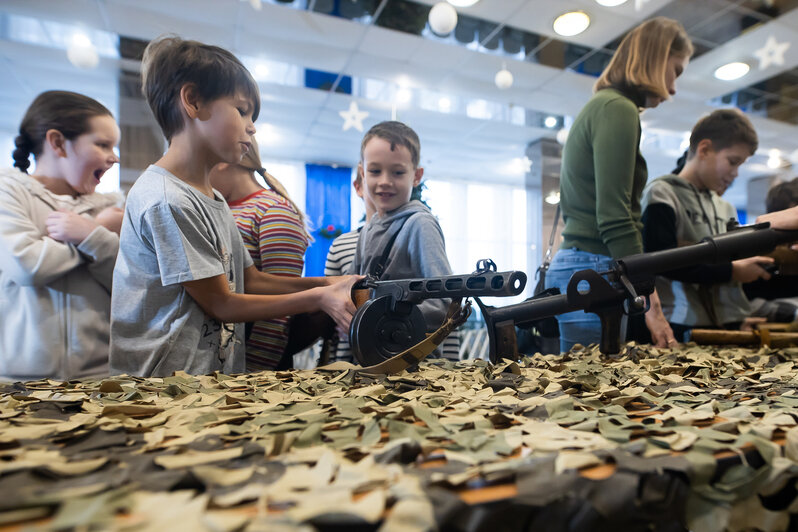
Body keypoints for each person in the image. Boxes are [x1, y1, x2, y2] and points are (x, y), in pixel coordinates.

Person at [110, 36, 359, 378]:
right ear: (193, 101)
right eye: (242, 110)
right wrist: (319, 299)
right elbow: (221, 303)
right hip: (161, 386)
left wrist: (331, 284)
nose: (252, 126)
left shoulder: (214, 198)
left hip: (207, 381)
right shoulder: (167, 198)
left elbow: (251, 281)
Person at [545, 17, 691, 352]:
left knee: (579, 393)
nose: (674, 88)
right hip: (595, 266)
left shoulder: (604, 106)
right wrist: (651, 304)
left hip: (585, 265)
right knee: (590, 397)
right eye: (676, 70)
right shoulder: (618, 109)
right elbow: (614, 215)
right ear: (656, 59)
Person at [0, 90, 122, 381]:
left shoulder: (112, 208)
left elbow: (129, 285)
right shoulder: (8, 192)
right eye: (103, 144)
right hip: (20, 383)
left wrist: (94, 234)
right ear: (57, 142)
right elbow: (28, 266)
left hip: (102, 378)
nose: (114, 157)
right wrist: (93, 234)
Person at [640, 109, 773, 341]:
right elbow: (660, 262)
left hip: (724, 326)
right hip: (678, 324)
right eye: (732, 162)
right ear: (704, 149)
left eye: (740, 164)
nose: (736, 173)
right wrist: (733, 271)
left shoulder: (725, 208)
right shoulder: (661, 193)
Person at [349, 121, 459, 360]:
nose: (385, 181)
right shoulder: (367, 230)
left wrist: (383, 315)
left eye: (397, 172)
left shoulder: (420, 225)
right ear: (362, 172)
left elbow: (445, 304)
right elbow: (352, 290)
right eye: (375, 171)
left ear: (416, 175)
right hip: (371, 361)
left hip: (414, 364)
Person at [208, 137, 310, 371]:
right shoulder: (219, 208)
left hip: (255, 365)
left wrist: (253, 371)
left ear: (223, 161)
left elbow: (281, 308)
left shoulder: (273, 212)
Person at [324, 171, 375, 363]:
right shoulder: (340, 244)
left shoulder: (415, 234)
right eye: (374, 174)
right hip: (348, 357)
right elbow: (329, 304)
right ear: (359, 187)